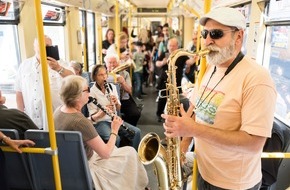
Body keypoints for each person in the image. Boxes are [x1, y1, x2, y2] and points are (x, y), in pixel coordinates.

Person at [162, 7, 277, 190]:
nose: (207, 41)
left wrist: (195, 130)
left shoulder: (257, 79)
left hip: (233, 184)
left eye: (216, 34)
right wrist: (184, 143)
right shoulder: (211, 67)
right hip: (204, 170)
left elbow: (254, 144)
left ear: (238, 36)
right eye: (205, 33)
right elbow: (196, 109)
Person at [53, 75, 148, 189]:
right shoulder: (81, 122)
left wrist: (95, 117)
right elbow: (106, 153)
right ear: (77, 96)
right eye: (87, 89)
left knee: (120, 151)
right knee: (131, 152)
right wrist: (114, 130)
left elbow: (76, 125)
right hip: (87, 165)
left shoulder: (59, 111)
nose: (89, 92)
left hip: (68, 163)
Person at [15, 35, 74, 130]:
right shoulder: (24, 66)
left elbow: (73, 78)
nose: (45, 48)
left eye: (48, 46)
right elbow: (19, 92)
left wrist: (58, 68)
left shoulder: (60, 63)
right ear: (34, 47)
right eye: (42, 45)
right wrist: (20, 115)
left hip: (55, 117)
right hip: (31, 119)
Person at [87, 65, 141, 150]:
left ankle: (133, 156)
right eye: (101, 75)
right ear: (94, 77)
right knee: (116, 138)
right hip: (100, 122)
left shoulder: (112, 87)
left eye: (105, 74)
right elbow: (93, 117)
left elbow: (118, 108)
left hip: (114, 120)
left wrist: (116, 103)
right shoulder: (91, 92)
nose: (104, 77)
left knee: (136, 132)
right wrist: (103, 111)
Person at [155, 37, 194, 122]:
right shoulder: (165, 54)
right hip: (165, 80)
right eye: (170, 45)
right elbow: (157, 63)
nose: (171, 47)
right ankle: (159, 114)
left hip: (176, 81)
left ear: (177, 46)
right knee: (162, 99)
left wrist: (196, 56)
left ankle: (176, 115)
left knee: (177, 98)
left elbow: (189, 62)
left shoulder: (181, 55)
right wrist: (163, 62)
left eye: (173, 46)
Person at [105, 53, 141, 126]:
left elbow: (129, 91)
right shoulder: (103, 74)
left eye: (114, 62)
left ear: (118, 63)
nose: (112, 65)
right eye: (110, 63)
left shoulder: (125, 74)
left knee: (135, 114)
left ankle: (129, 129)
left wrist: (123, 82)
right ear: (106, 64)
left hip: (124, 99)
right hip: (107, 100)